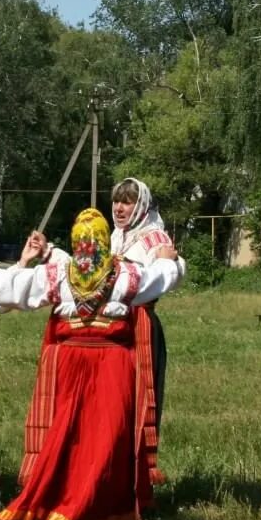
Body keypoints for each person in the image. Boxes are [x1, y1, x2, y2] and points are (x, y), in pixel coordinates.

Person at [0, 209, 181, 520]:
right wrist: (169, 262)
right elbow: (161, 276)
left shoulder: (57, 276)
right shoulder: (126, 274)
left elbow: (8, 287)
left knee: (71, 433)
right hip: (112, 364)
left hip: (72, 363)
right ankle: (90, 507)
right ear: (104, 241)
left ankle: (79, 503)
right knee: (108, 437)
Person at [109, 178, 184, 431]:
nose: (119, 208)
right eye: (117, 201)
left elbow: (175, 269)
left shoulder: (155, 238)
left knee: (138, 394)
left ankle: (139, 462)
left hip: (139, 325)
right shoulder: (117, 235)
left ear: (141, 206)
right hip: (112, 322)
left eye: (127, 202)